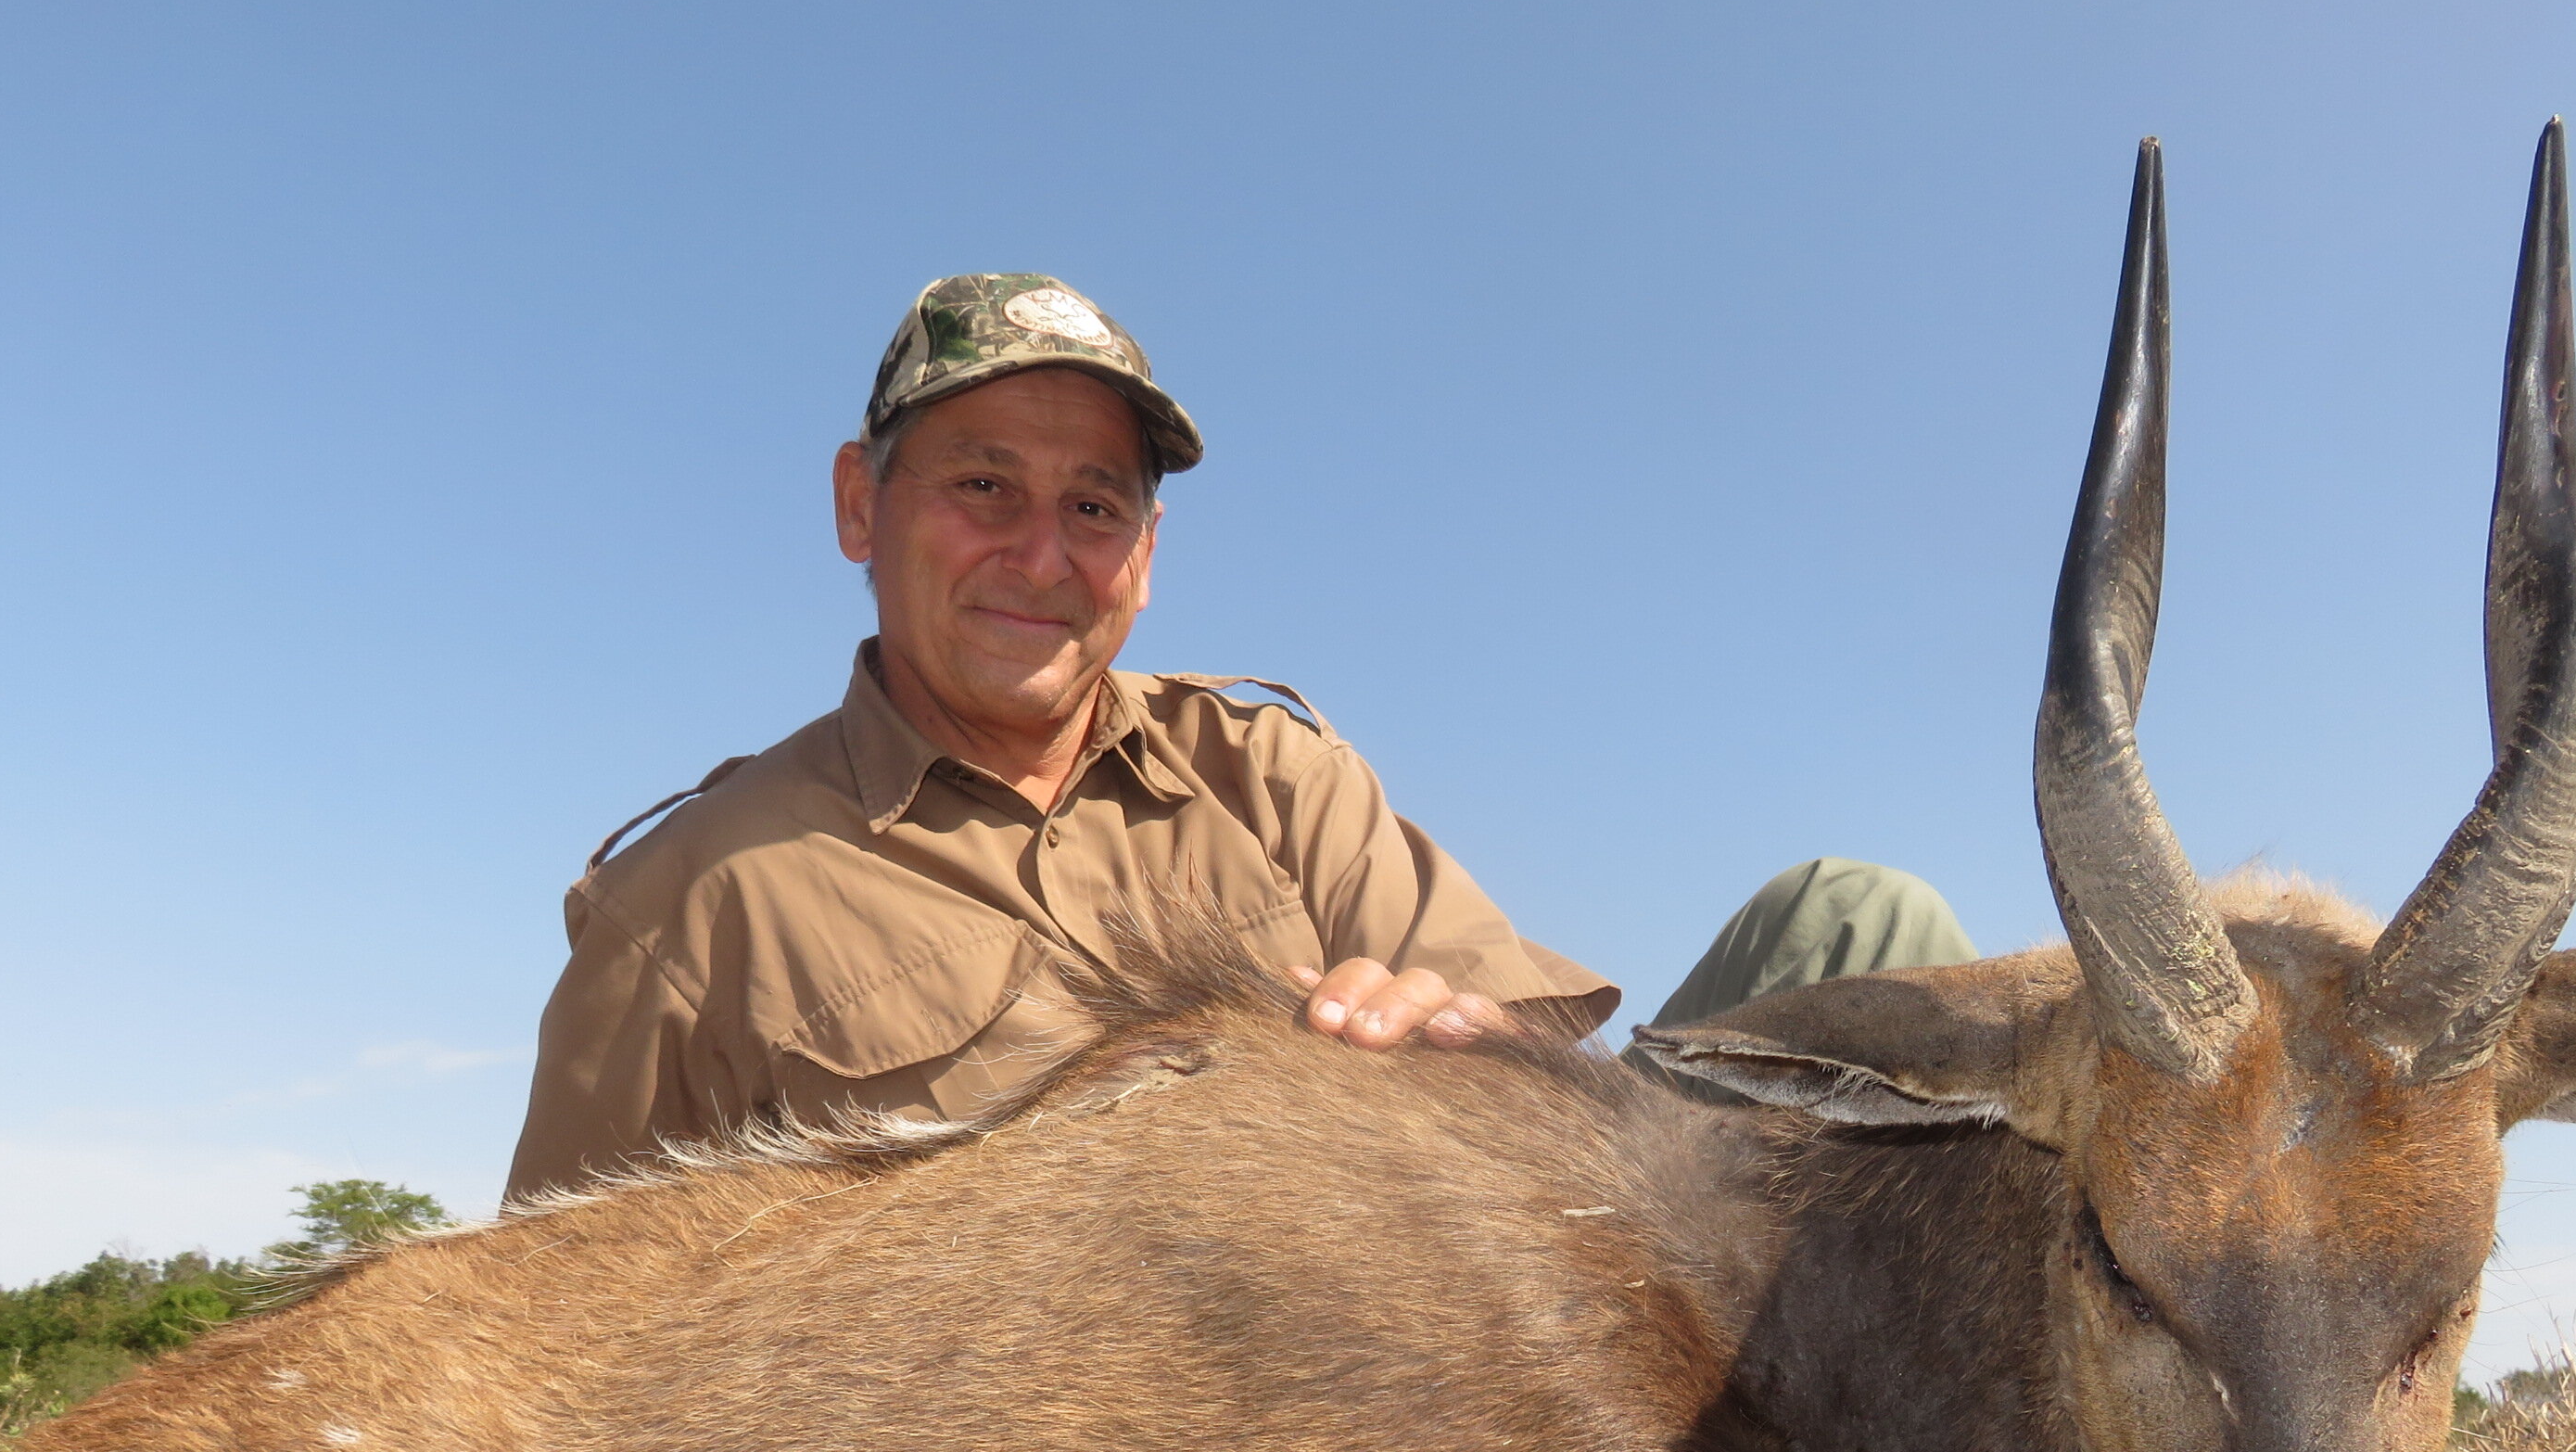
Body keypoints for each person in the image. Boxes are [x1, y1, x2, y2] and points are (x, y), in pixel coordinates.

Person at [505, 274, 1968, 1200]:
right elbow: (558, 1327)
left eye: (1096, 506)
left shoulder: (1270, 771)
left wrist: (1448, 1031)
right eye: (982, 486)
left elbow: (1513, 1028)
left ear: (1145, 553)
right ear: (856, 507)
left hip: (1466, 1265)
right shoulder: (681, 909)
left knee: (1862, 921)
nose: (1042, 555)